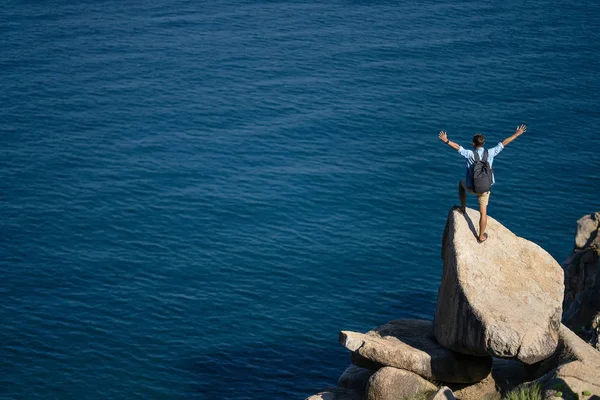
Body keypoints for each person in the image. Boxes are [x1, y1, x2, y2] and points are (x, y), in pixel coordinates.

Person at [438, 124, 527, 243]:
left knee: (461, 184)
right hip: (485, 189)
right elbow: (503, 143)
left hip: (471, 187)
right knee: (483, 213)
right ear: (483, 143)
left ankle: (463, 208)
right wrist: (517, 134)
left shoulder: (470, 154)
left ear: (473, 144)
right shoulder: (490, 153)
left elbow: (458, 147)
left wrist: (446, 140)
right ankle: (480, 236)